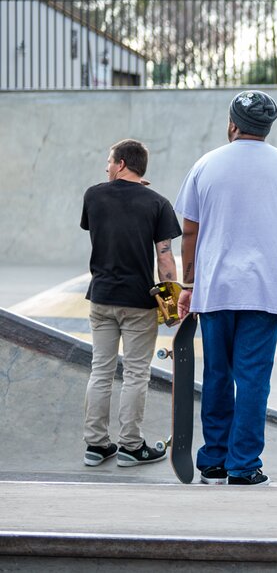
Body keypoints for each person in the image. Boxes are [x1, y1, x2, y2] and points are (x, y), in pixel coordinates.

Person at [175, 90, 277, 486]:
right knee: (253, 380)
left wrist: (188, 283)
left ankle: (213, 459)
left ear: (232, 124)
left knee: (216, 375)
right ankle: (243, 466)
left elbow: (189, 231)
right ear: (267, 127)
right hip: (264, 292)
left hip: (214, 291)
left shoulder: (205, 165)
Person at [81, 139, 181, 468]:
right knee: (136, 374)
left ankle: (96, 446)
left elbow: (112, 222)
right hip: (139, 301)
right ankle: (130, 446)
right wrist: (171, 305)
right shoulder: (158, 203)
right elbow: (165, 259)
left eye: (109, 162)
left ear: (121, 163)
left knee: (101, 370)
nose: (106, 167)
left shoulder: (93, 196)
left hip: (102, 297)